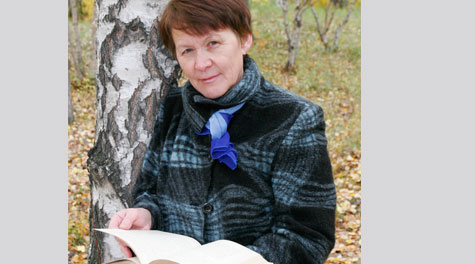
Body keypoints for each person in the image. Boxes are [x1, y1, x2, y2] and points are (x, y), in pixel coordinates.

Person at [108, 0, 336, 263]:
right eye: (187, 50)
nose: (201, 63)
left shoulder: (293, 118)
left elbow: (308, 236)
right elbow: (149, 192)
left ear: (244, 40)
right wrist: (147, 214)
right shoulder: (173, 108)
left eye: (213, 44)